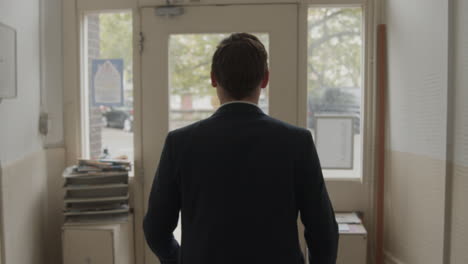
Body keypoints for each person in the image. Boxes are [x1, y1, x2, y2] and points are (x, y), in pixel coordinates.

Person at [143, 33, 339, 264]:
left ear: (214, 78)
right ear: (265, 79)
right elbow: (323, 231)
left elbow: (156, 229)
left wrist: (180, 259)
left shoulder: (180, 143)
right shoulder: (297, 142)